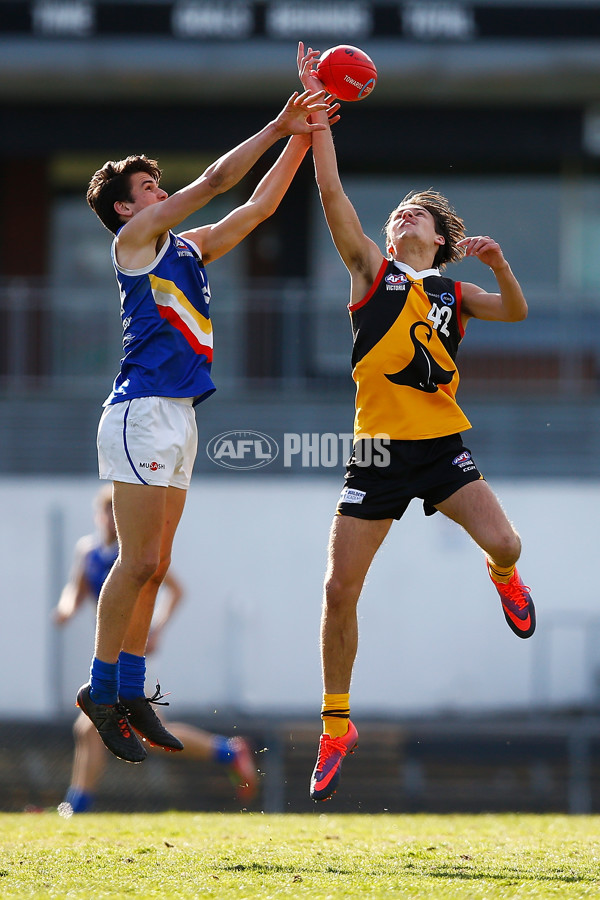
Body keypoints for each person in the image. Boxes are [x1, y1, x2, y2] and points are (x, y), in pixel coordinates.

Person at [297, 43, 536, 803]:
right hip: (374, 449)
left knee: (507, 542)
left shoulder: (454, 291)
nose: (403, 214)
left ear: (440, 237)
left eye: (419, 213)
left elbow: (517, 311)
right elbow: (332, 194)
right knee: (339, 592)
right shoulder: (373, 270)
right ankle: (338, 726)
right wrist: (317, 119)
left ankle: (505, 580)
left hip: (439, 447)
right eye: (399, 209)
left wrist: (497, 266)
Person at [81, 88, 338, 765]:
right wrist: (278, 123)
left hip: (179, 417)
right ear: (127, 209)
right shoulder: (136, 242)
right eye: (147, 186)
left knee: (156, 566)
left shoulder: (187, 248)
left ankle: (129, 688)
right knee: (137, 561)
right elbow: (220, 180)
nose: (160, 191)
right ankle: (100, 690)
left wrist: (302, 138)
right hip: (140, 412)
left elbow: (256, 207)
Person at [53, 486, 258, 814]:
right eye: (104, 512)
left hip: (131, 651)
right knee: (117, 730)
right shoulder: (88, 552)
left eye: (113, 512)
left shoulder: (132, 555)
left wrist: (157, 629)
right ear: (98, 515)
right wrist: (64, 609)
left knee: (97, 727)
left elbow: (173, 590)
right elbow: (75, 591)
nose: (109, 519)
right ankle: (228, 752)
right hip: (108, 652)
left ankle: (75, 809)